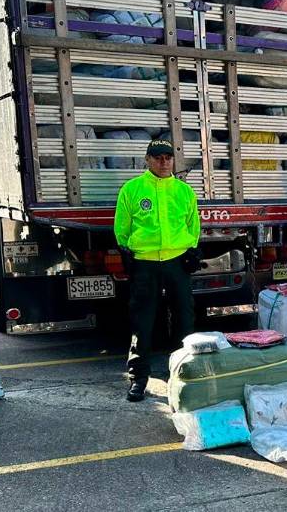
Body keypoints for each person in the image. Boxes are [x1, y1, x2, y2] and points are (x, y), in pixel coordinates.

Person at [114, 139, 201, 402]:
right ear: (147, 160)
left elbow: (192, 224)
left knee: (185, 319)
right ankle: (139, 378)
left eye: (168, 157)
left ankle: (181, 373)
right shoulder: (132, 189)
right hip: (146, 264)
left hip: (177, 262)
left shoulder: (184, 191)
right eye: (158, 157)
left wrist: (192, 250)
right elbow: (122, 227)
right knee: (143, 322)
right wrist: (127, 252)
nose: (164, 162)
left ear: (173, 160)